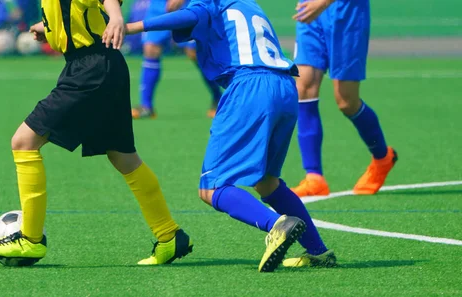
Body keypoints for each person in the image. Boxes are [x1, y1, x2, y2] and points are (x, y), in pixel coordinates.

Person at [0, 0, 193, 266]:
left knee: (24, 142)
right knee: (123, 157)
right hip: (103, 66)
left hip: (91, 69)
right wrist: (49, 27)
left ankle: (30, 240)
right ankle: (169, 235)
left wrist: (115, 17)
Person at [126, 0, 335, 272]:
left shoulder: (205, 3)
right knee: (268, 182)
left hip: (249, 87)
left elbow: (187, 15)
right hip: (284, 86)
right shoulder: (246, 3)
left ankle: (277, 225)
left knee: (212, 187)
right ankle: (318, 251)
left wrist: (130, 27)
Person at [290, 0, 397, 197]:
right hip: (310, 10)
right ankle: (314, 178)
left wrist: (322, 3)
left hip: (347, 12)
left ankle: (383, 158)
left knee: (346, 101)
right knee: (303, 88)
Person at [130, 0, 222, 119]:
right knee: (150, 48)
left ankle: (218, 97)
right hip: (158, 5)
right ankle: (146, 106)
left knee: (193, 53)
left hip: (188, 5)